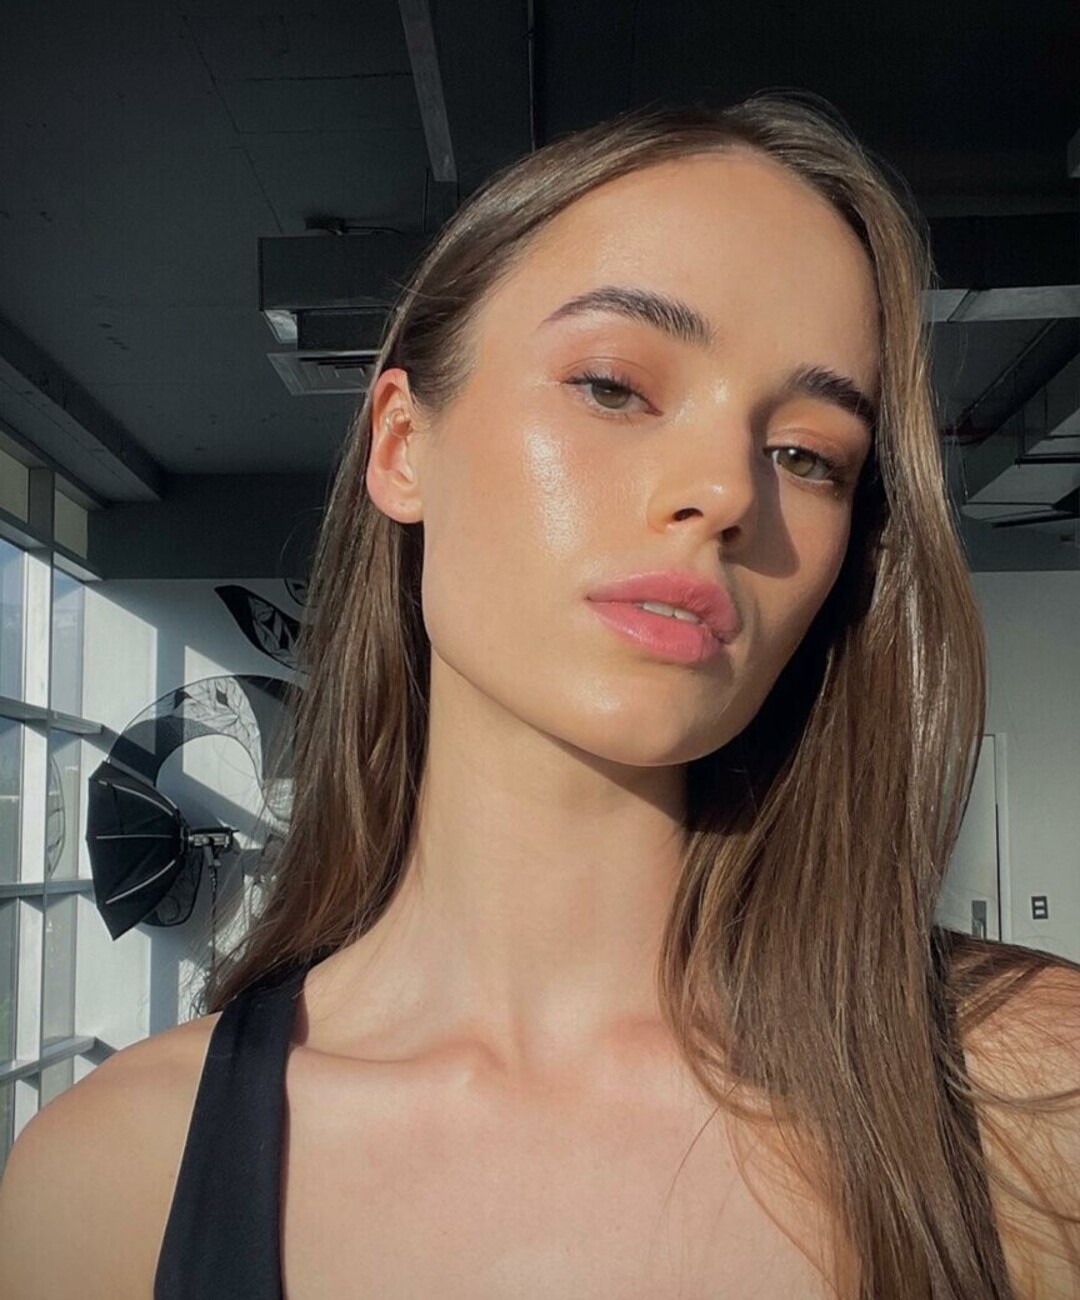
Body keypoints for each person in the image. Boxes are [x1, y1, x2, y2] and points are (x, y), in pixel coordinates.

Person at [2, 92, 1079, 1300]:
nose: (730, 489)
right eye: (615, 385)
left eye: (806, 454)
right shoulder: (109, 1185)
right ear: (403, 446)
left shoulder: (1034, 1102)